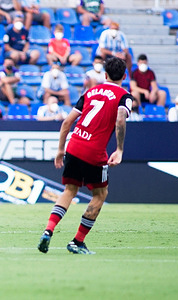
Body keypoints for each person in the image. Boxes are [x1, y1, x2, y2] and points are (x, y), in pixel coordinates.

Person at [37, 57, 132, 255]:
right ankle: (77, 241)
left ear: (105, 75)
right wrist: (120, 149)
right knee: (100, 194)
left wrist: (61, 150)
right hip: (94, 152)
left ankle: (48, 230)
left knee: (69, 190)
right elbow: (120, 120)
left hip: (74, 145)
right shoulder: (124, 96)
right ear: (124, 76)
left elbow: (66, 123)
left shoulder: (91, 92)